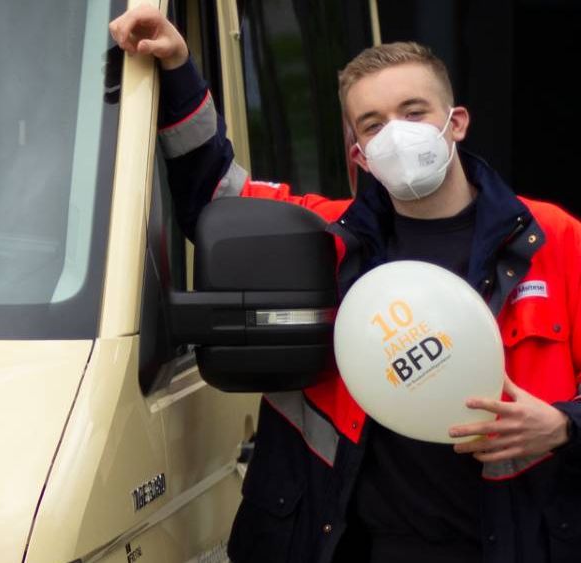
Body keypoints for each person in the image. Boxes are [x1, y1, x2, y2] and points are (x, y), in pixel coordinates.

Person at [110, 6, 581, 563]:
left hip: (512, 541)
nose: (397, 134)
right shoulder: (323, 240)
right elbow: (216, 195)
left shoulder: (553, 238)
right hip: (365, 545)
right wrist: (178, 64)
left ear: (456, 122)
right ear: (358, 152)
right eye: (374, 124)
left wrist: (564, 425)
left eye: (414, 111)